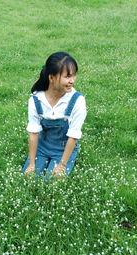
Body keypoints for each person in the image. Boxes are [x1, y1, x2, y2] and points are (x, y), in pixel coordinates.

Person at [22, 51, 87, 180]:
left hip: (63, 149)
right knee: (28, 178)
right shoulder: (36, 99)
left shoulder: (77, 101)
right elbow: (34, 133)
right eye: (67, 76)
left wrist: (62, 165)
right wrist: (31, 164)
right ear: (51, 78)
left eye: (74, 75)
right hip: (42, 146)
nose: (72, 80)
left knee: (51, 182)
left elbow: (73, 136)